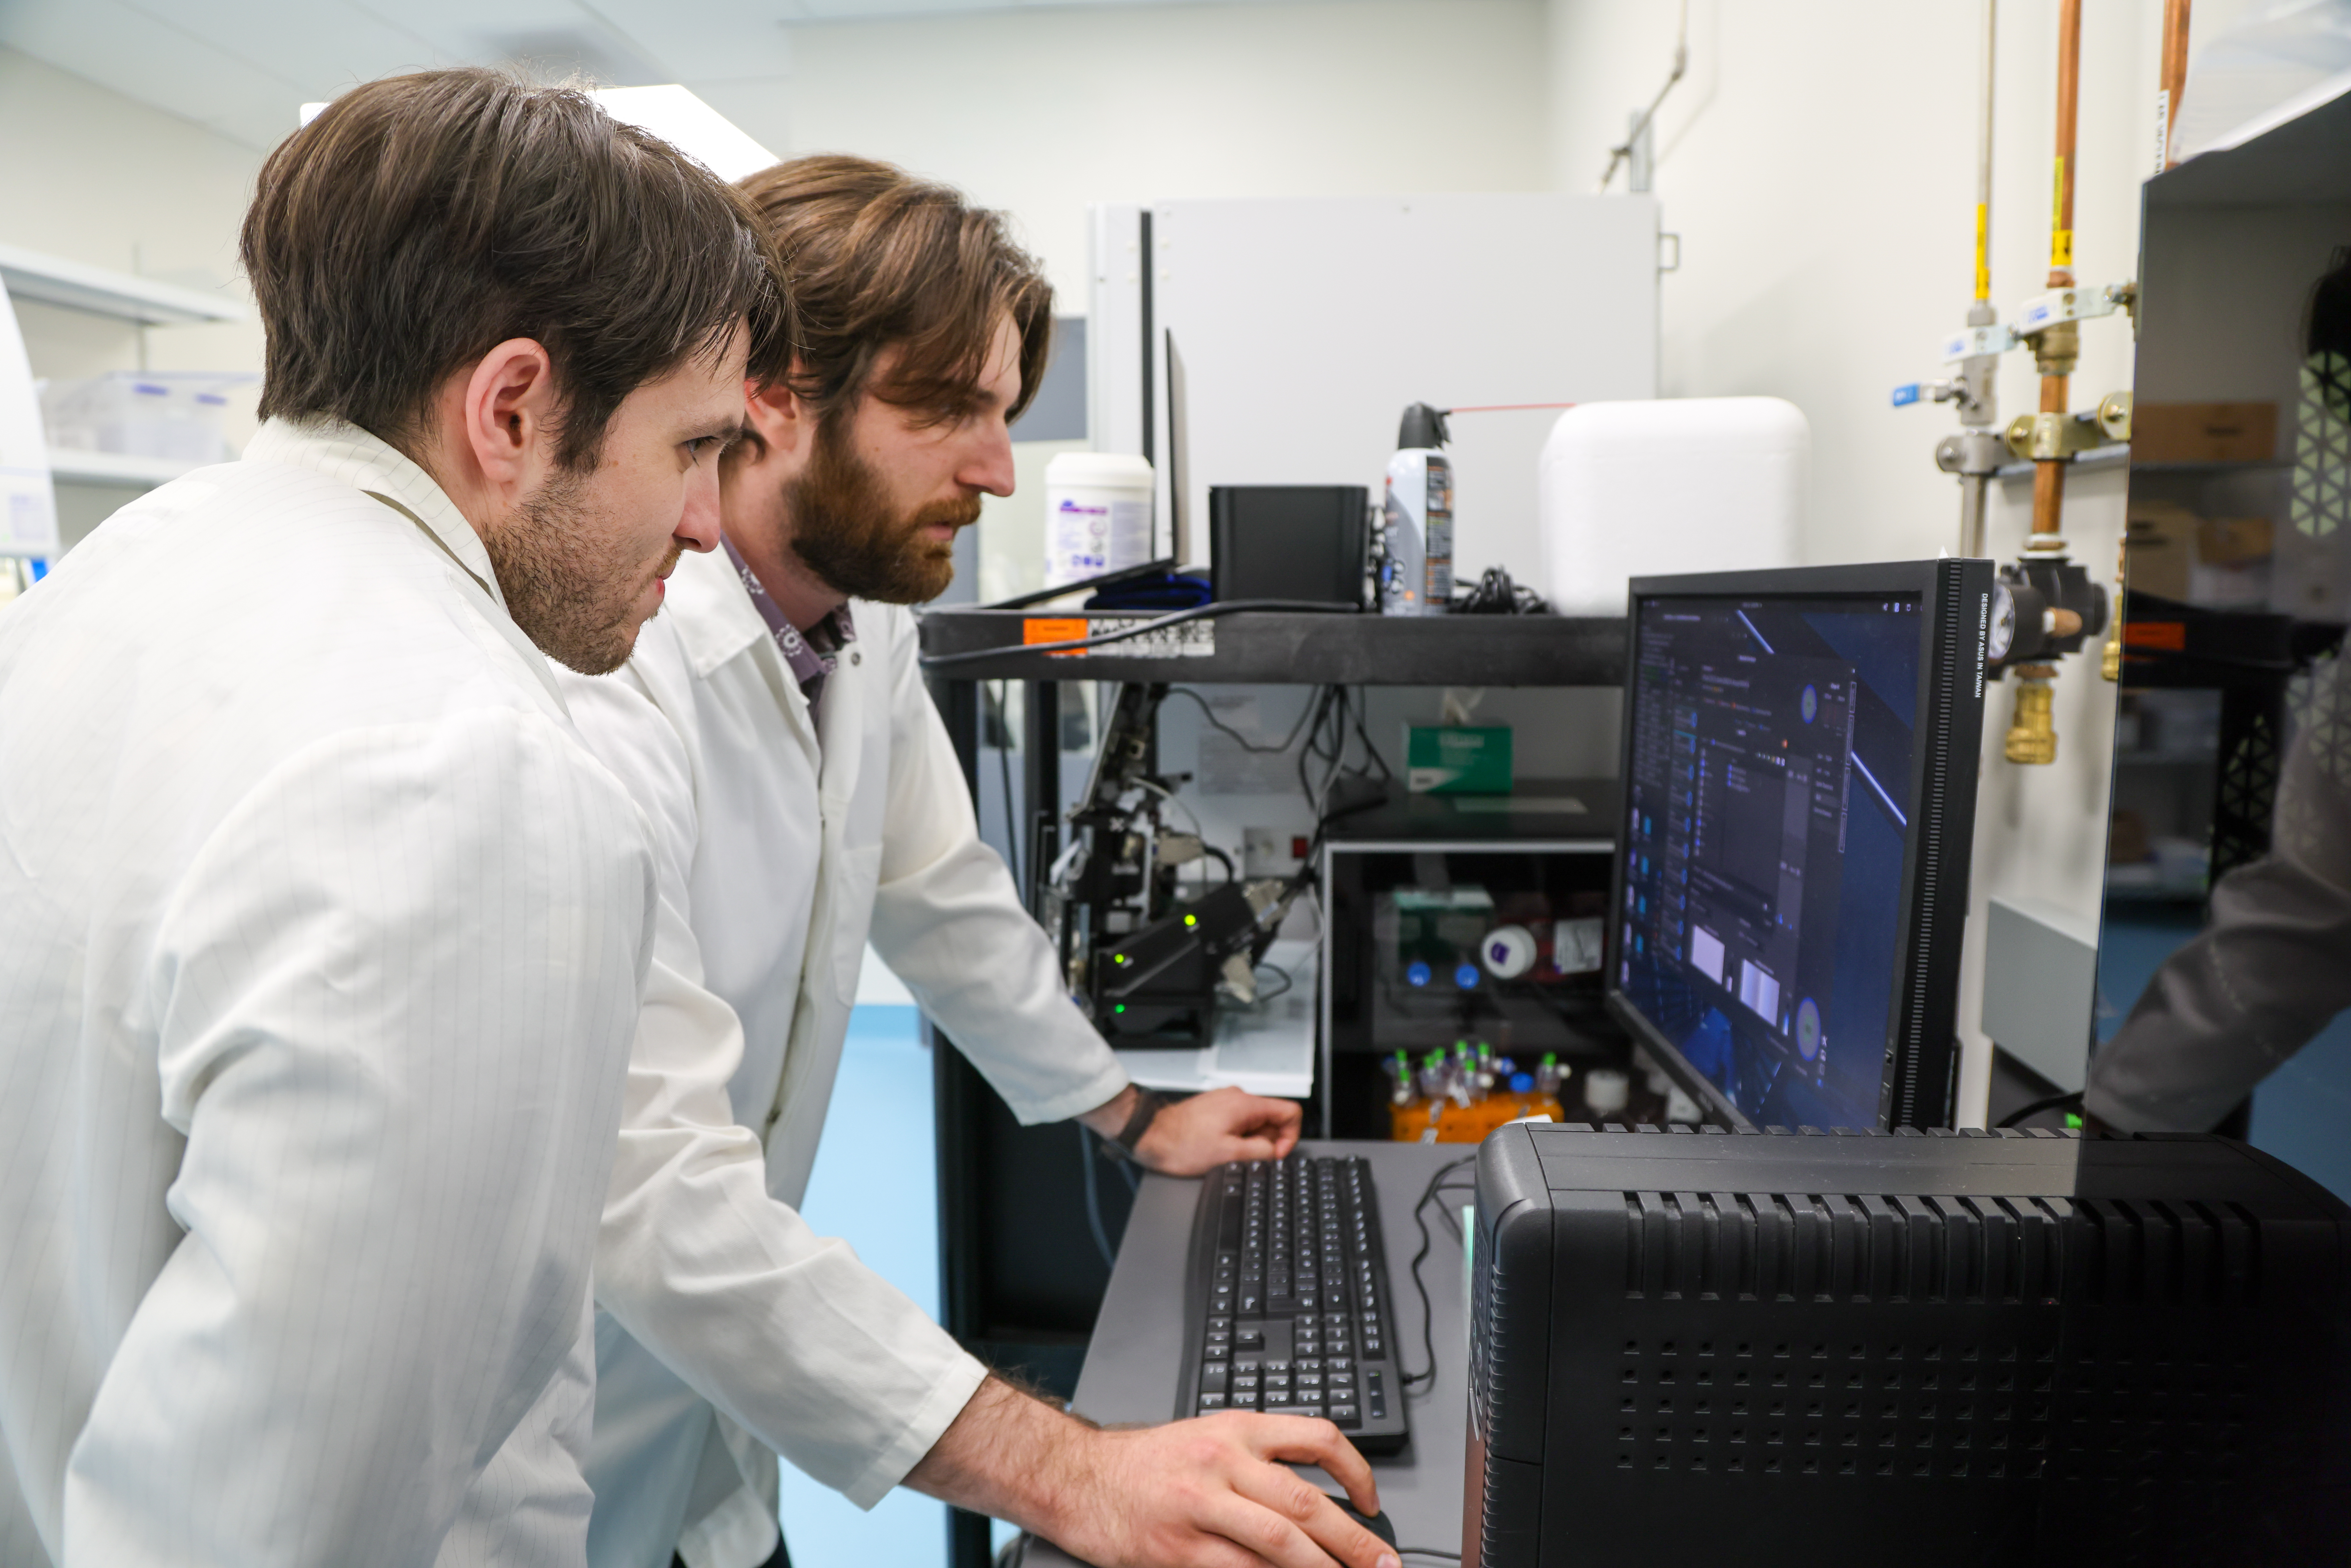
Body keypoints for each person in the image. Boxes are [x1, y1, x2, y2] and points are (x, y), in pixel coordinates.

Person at [0, 70, 791, 1567]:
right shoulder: (472, 781)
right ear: (510, 409)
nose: (706, 528)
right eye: (691, 449)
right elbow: (280, 1532)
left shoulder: (108, 589)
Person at [561, 156, 1392, 1568]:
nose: (995, 469)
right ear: (769, 390)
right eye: (940, 408)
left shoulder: (856, 618)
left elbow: (943, 896)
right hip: (561, 1446)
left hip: (720, 1441)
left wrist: (1131, 1114)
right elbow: (648, 1186)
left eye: (999, 413)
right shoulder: (609, 666)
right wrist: (1071, 1475)